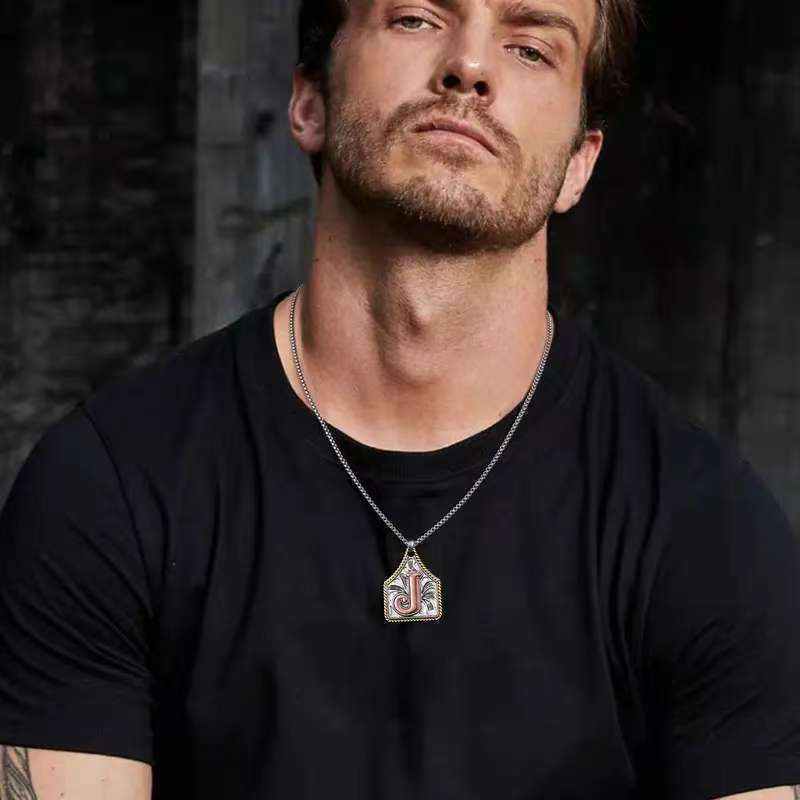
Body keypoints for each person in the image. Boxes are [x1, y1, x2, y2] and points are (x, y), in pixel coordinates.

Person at [1, 0, 799, 797]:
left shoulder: (703, 528)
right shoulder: (108, 488)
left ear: (578, 165)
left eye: (530, 48)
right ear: (309, 101)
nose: (470, 67)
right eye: (416, 18)